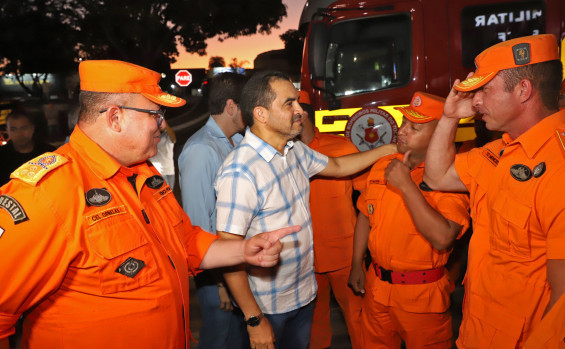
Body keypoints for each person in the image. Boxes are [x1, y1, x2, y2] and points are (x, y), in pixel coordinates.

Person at [0, 60, 300, 349]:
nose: (162, 125)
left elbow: (185, 241)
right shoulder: (46, 194)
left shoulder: (144, 173)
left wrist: (243, 250)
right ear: (114, 118)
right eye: (155, 115)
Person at [214, 70, 397, 349]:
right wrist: (254, 319)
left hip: (304, 295)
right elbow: (228, 252)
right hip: (269, 307)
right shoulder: (241, 172)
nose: (300, 111)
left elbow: (337, 166)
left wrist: (389, 150)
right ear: (261, 114)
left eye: (298, 102)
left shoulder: (293, 150)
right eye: (289, 104)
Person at [423, 34, 565, 347]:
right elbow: (436, 177)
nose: (475, 101)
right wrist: (448, 117)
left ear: (523, 90)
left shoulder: (558, 168)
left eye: (485, 90)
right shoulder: (500, 152)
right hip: (477, 332)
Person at [348, 92, 470, 348]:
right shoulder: (382, 165)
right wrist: (356, 263)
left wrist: (406, 185)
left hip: (421, 297)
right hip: (377, 288)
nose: (402, 131)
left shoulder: (451, 177)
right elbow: (364, 215)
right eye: (403, 123)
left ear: (440, 135)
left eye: (414, 127)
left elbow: (443, 237)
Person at [178, 72, 249, 349]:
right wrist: (221, 282)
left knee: (238, 338)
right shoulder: (201, 150)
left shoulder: (238, 141)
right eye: (248, 104)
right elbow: (197, 226)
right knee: (219, 339)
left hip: (235, 263)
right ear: (231, 106)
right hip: (216, 273)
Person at [297, 90, 364, 349]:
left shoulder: (342, 147)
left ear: (302, 115)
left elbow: (367, 200)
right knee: (313, 326)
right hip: (303, 259)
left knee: (359, 321)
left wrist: (362, 256)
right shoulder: (282, 153)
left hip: (344, 256)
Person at [0, 112, 55, 186]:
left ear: (32, 128)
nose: (19, 134)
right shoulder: (2, 156)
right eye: (13, 129)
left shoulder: (49, 153)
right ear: (7, 131)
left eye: (24, 128)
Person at [150, 124, 176, 189]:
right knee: (166, 195)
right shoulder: (150, 138)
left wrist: (164, 123)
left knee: (170, 194)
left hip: (170, 171)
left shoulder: (166, 136)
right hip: (159, 172)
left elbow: (173, 138)